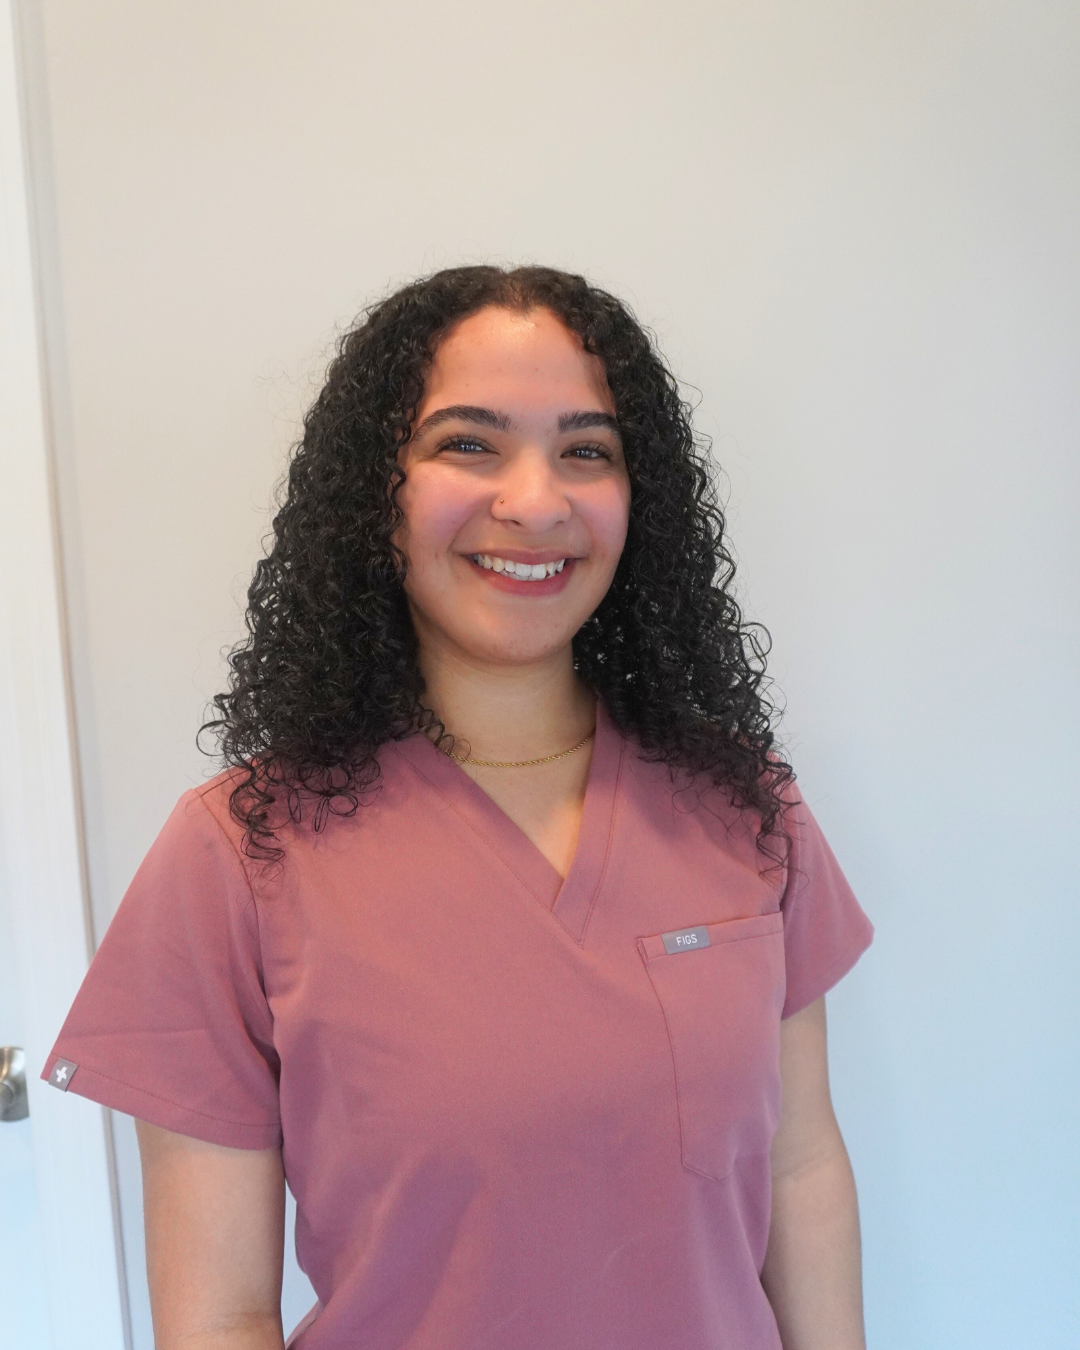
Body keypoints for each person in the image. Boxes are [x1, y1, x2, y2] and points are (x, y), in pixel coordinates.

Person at [44, 265, 873, 1350]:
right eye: (467, 443)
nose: (535, 501)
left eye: (588, 450)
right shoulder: (239, 854)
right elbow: (220, 1314)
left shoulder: (743, 807)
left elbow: (803, 1166)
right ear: (372, 492)